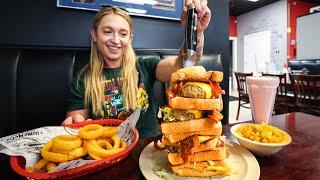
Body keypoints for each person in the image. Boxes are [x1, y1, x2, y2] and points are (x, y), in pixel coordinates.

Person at [62, 0, 211, 140]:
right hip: (110, 152)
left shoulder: (145, 66)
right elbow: (76, 123)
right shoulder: (82, 79)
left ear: (130, 38)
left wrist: (195, 31)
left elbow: (185, 65)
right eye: (107, 32)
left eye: (123, 34)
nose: (115, 39)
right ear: (94, 35)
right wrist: (74, 127)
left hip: (149, 149)